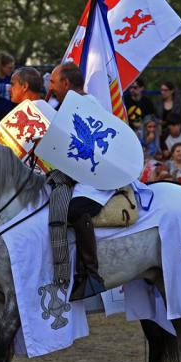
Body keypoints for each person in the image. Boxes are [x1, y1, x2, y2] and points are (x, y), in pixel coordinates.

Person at [46, 62, 112, 300]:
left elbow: (86, 150)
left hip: (96, 179)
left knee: (73, 210)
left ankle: (91, 275)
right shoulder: (71, 106)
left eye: (53, 82)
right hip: (82, 175)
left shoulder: (86, 106)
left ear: (65, 83)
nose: (50, 87)